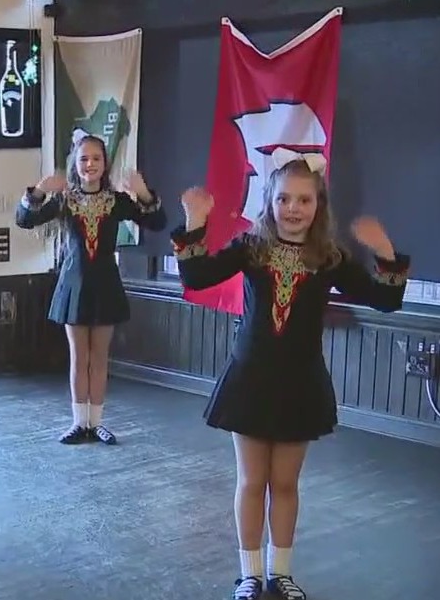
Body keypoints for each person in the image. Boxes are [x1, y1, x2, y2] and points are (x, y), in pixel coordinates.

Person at [170, 150, 409, 600]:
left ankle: (281, 572)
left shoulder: (329, 257)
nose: (293, 209)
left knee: (285, 484)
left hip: (300, 381)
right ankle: (249, 574)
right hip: (251, 378)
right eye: (284, 199)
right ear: (270, 200)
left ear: (318, 204)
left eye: (304, 200)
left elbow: (386, 301)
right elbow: (197, 276)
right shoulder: (251, 247)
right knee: (251, 481)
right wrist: (194, 222)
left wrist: (386, 254)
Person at [16, 134, 167, 445]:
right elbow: (24, 220)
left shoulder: (116, 201)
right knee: (78, 356)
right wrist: (41, 190)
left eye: (96, 158)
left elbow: (157, 222)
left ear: (105, 164)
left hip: (106, 285)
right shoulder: (65, 200)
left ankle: (96, 422)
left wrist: (144, 194)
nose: (90, 164)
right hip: (73, 284)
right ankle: (78, 422)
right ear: (76, 163)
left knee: (99, 358)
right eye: (84, 159)